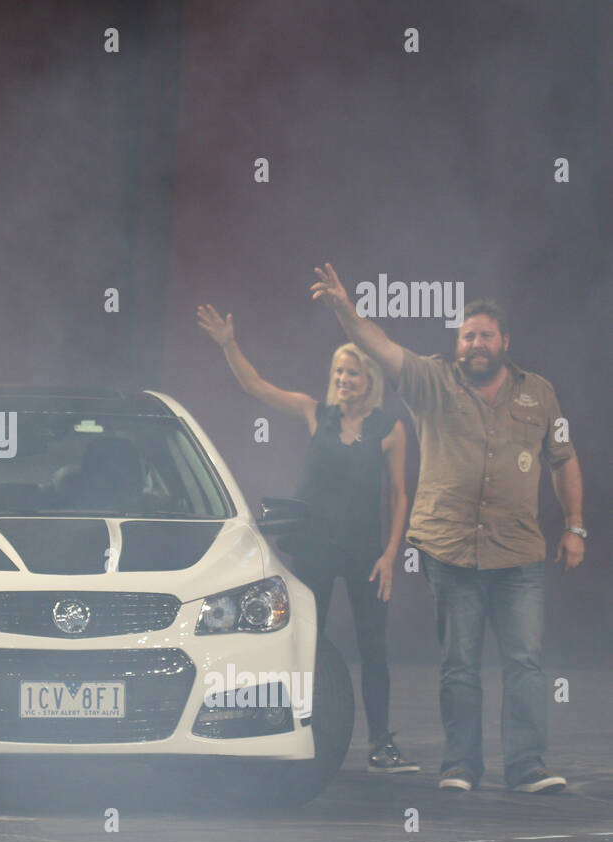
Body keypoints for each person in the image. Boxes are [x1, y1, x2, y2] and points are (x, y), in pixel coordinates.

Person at [312, 263, 583, 793]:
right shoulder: (431, 380)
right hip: (451, 551)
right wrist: (344, 308)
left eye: (484, 335)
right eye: (466, 336)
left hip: (519, 553)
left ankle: (528, 764)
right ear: (456, 344)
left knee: (525, 663)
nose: (475, 343)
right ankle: (461, 765)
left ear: (505, 341)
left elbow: (564, 458)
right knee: (459, 665)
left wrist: (576, 527)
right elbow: (381, 344)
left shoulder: (541, 395)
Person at [197, 304, 418, 773]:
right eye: (339, 371)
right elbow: (256, 386)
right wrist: (228, 343)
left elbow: (399, 495)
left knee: (373, 646)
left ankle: (381, 744)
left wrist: (390, 554)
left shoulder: (390, 429)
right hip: (315, 548)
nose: (344, 379)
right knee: (304, 641)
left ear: (370, 379)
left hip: (365, 554)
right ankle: (297, 732)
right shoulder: (315, 413)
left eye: (353, 372)